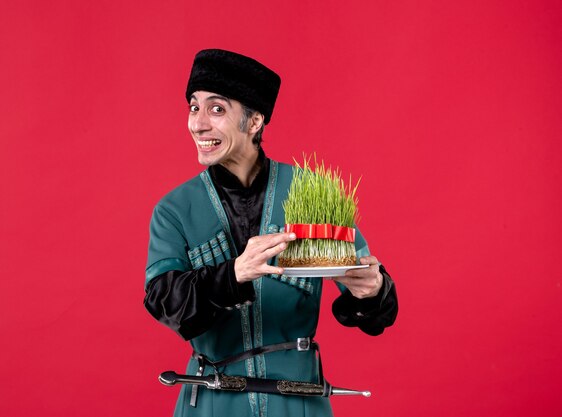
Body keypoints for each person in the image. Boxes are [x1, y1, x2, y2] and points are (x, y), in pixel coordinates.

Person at [144, 49, 398, 417]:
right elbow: (163, 301)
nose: (197, 124)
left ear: (254, 122)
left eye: (216, 109)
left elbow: (375, 310)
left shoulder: (314, 193)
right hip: (213, 401)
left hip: (299, 402)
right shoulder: (173, 210)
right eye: (193, 107)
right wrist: (233, 274)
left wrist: (372, 291)